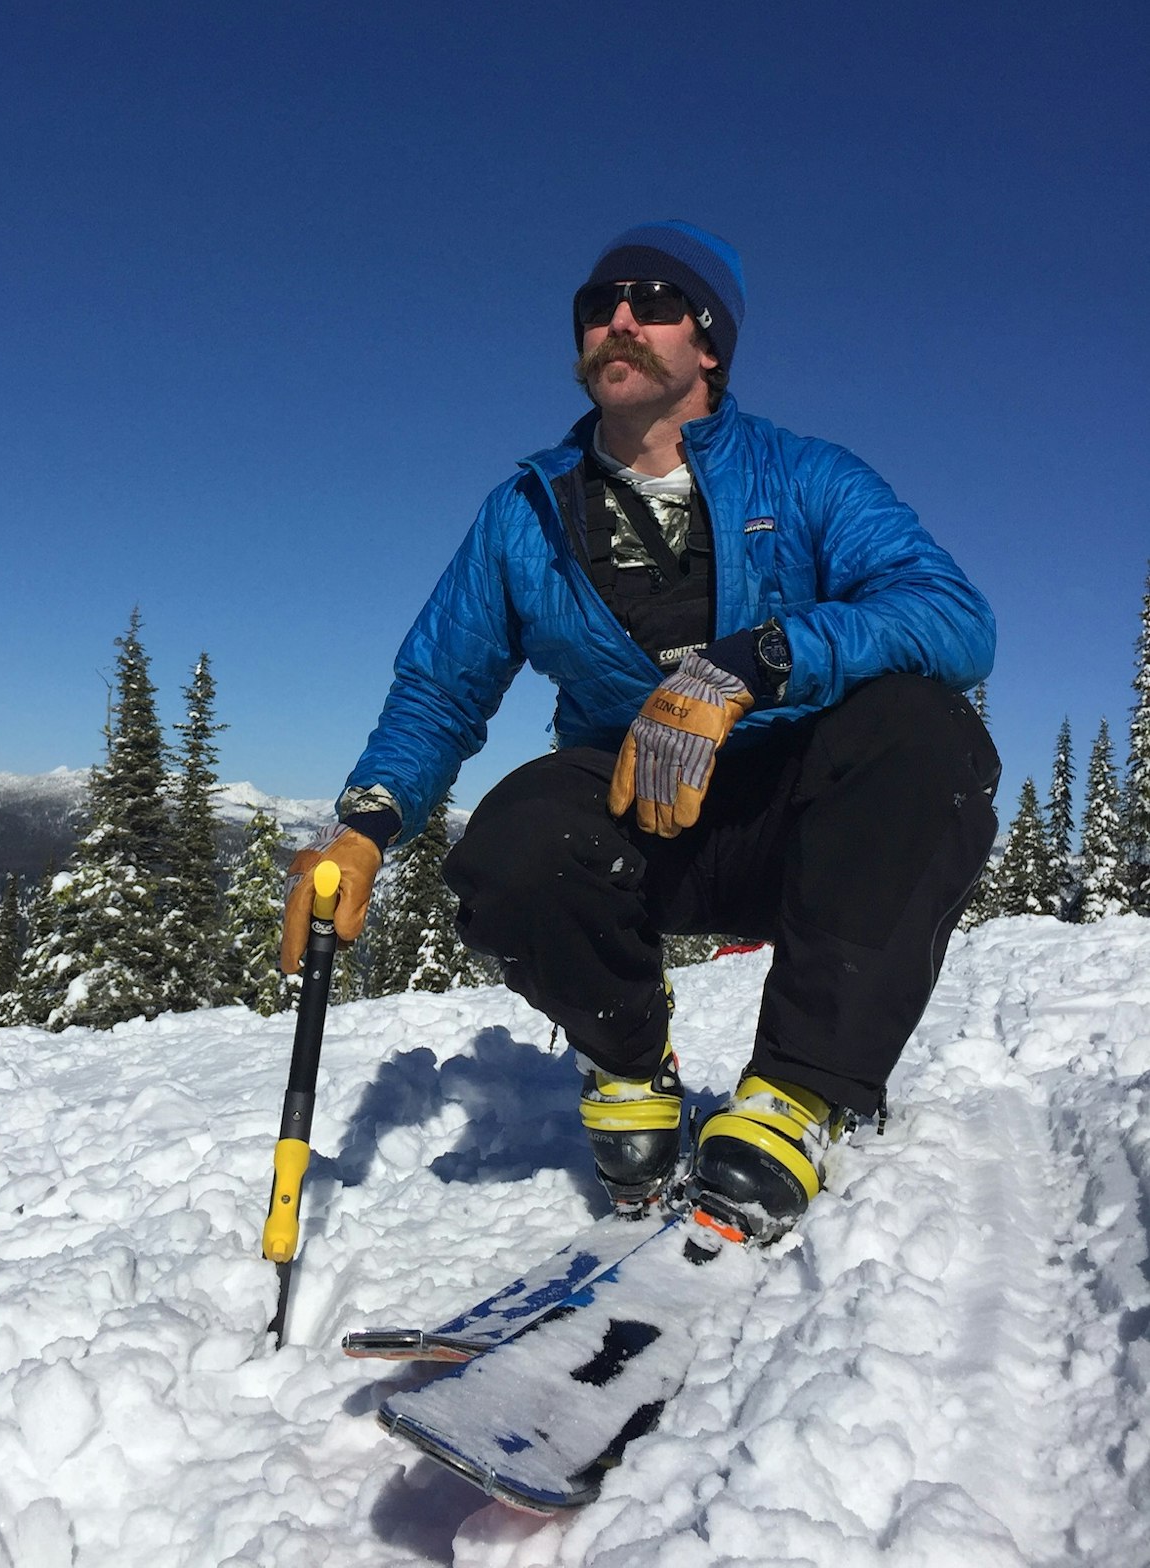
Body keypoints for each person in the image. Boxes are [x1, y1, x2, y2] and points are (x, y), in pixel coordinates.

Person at [281, 221, 999, 1245]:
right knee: (515, 840)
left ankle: (797, 1092)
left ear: (708, 344)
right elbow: (441, 687)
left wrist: (757, 664)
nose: (618, 319)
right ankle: (627, 1056)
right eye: (598, 305)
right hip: (640, 819)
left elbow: (953, 616)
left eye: (654, 301)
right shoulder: (526, 512)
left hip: (804, 827)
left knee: (925, 733)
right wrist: (366, 825)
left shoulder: (805, 477)